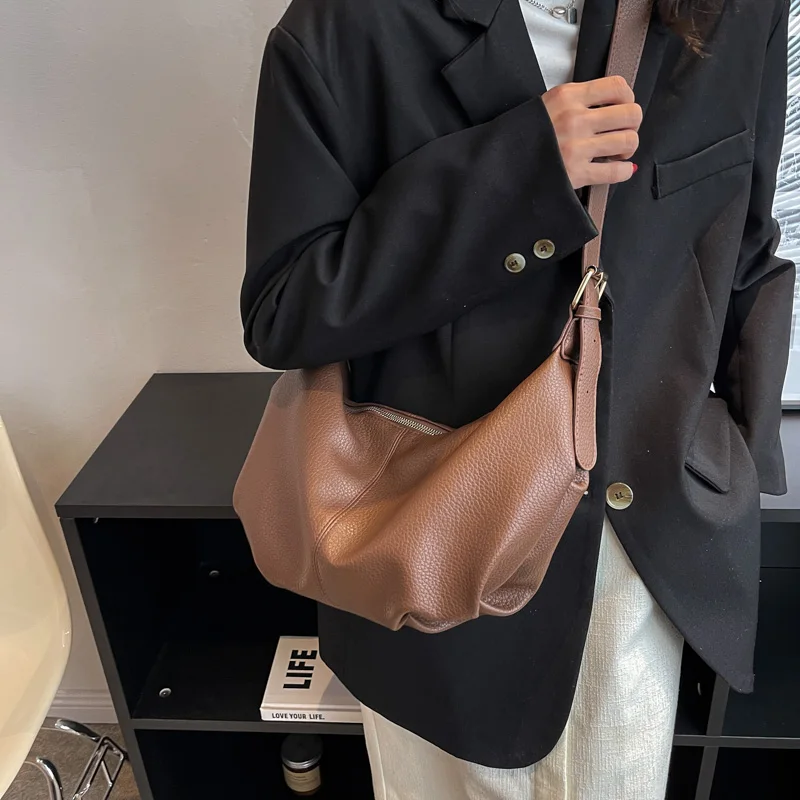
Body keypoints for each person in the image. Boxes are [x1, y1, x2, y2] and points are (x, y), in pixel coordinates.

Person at [240, 0, 793, 797]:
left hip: (640, 555)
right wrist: (518, 172)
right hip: (431, 545)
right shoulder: (347, 24)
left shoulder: (734, 9)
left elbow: (745, 243)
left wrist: (743, 457)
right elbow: (283, 310)